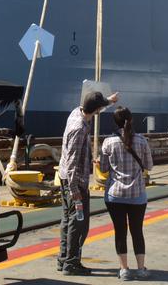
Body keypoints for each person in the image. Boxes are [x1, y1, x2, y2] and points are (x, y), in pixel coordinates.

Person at [57, 90, 119, 276]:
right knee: (79, 224)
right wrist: (75, 188)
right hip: (75, 182)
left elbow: (94, 106)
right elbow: (72, 160)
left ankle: (63, 259)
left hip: (65, 178)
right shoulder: (79, 127)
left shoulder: (76, 112)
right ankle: (72, 263)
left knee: (67, 220)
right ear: (97, 109)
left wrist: (109, 101)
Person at [99, 106, 153, 281]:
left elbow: (104, 169)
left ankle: (124, 270)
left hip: (115, 195)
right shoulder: (142, 141)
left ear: (115, 122)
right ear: (132, 120)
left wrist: (98, 162)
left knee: (120, 231)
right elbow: (149, 166)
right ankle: (141, 269)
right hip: (137, 195)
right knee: (137, 231)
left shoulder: (108, 143)